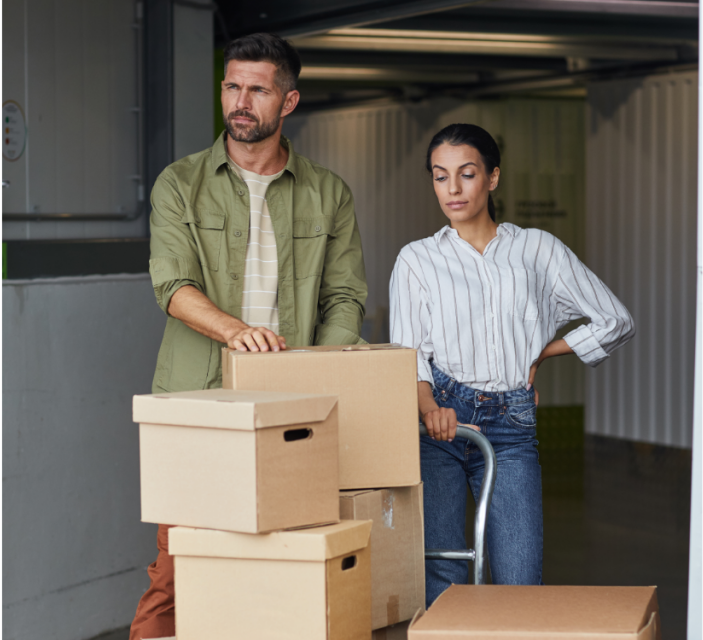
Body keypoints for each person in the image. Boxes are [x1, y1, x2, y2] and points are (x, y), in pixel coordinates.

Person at [130, 33, 368, 640]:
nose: (241, 101)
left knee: (279, 574)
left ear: (288, 101)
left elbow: (345, 297)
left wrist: (315, 372)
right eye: (232, 86)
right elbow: (173, 285)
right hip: (197, 405)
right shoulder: (180, 184)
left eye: (258, 89)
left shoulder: (328, 193)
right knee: (176, 572)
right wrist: (238, 333)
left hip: (293, 414)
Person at [389, 123, 634, 605]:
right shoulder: (416, 260)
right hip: (439, 422)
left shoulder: (537, 250)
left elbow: (615, 320)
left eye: (467, 174)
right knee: (441, 570)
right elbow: (409, 352)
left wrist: (543, 351)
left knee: (520, 577)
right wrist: (428, 407)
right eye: (440, 177)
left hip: (512, 422)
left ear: (493, 177)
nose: (453, 189)